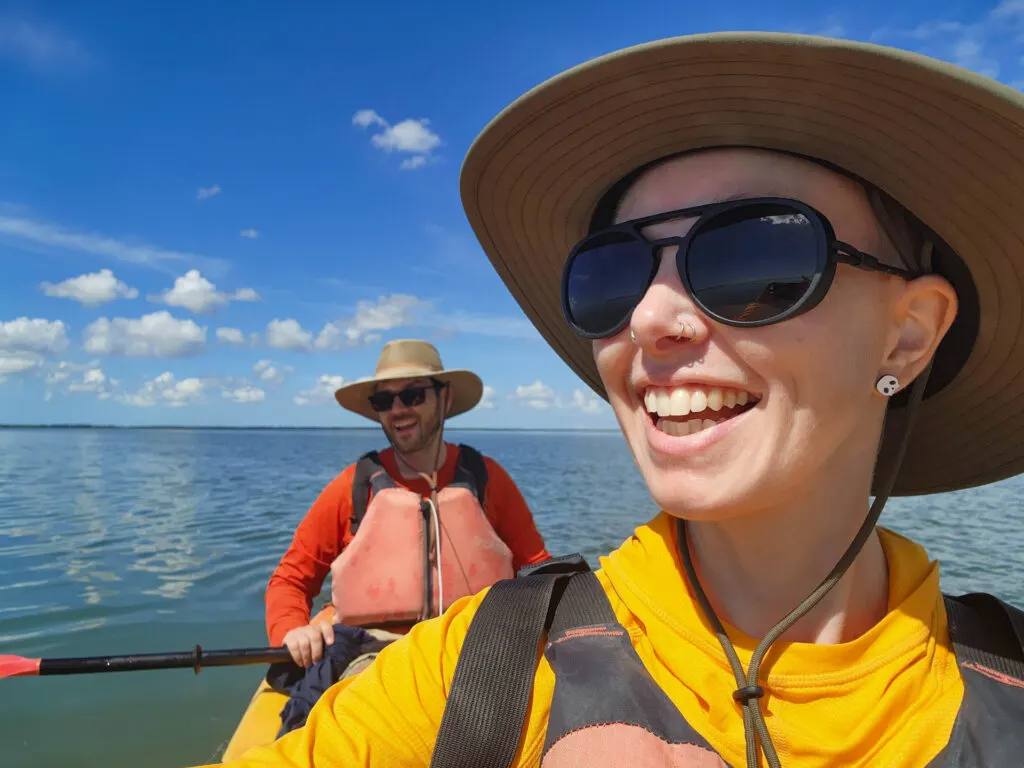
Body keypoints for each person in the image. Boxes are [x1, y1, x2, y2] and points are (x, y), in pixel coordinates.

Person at [215, 32, 1024, 768]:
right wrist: (302, 626)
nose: (647, 318)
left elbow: (529, 560)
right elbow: (296, 578)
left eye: (754, 259)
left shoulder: (485, 486)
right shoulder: (480, 663)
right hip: (371, 653)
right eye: (611, 274)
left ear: (908, 336)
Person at [265, 338, 551, 667]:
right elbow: (291, 580)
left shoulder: (487, 478)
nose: (398, 409)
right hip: (374, 657)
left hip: (479, 649)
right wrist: (292, 629)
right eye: (384, 400)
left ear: (445, 398)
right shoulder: (353, 487)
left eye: (413, 395)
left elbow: (538, 570)